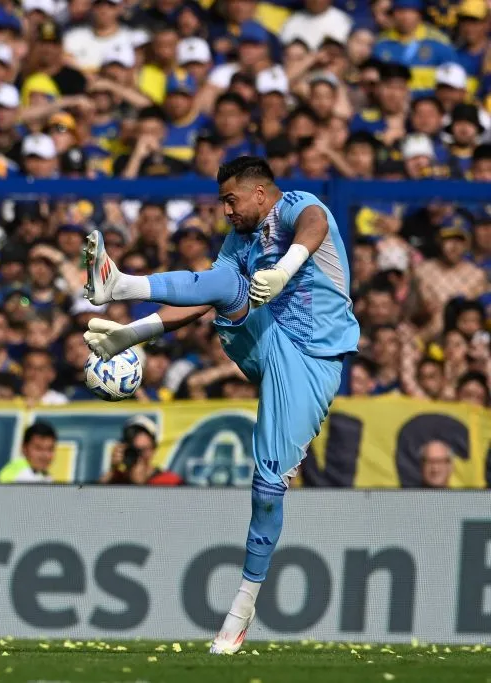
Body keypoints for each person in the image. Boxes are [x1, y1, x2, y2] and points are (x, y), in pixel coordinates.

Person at [82, 156, 359, 653]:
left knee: (268, 487)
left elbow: (315, 225)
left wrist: (286, 269)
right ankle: (119, 285)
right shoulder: (240, 241)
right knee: (224, 281)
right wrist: (133, 334)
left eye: (231, 200)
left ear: (259, 193)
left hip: (312, 361)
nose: (226, 211)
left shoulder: (301, 206)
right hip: (266, 338)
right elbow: (202, 293)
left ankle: (241, 610)